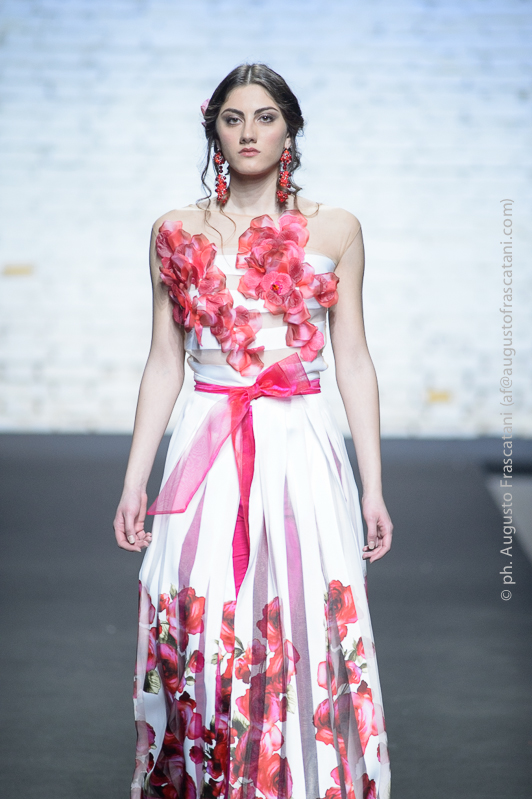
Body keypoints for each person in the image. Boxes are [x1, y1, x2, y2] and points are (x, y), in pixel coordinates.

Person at [114, 62, 393, 799]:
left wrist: (373, 488)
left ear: (289, 130)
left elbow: (354, 359)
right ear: (214, 131)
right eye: (233, 118)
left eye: (265, 117)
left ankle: (298, 782)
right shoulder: (174, 231)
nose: (249, 132)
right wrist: (135, 480)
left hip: (301, 442)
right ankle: (210, 777)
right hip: (208, 442)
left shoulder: (337, 228)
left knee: (303, 609)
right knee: (201, 609)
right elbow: (164, 361)